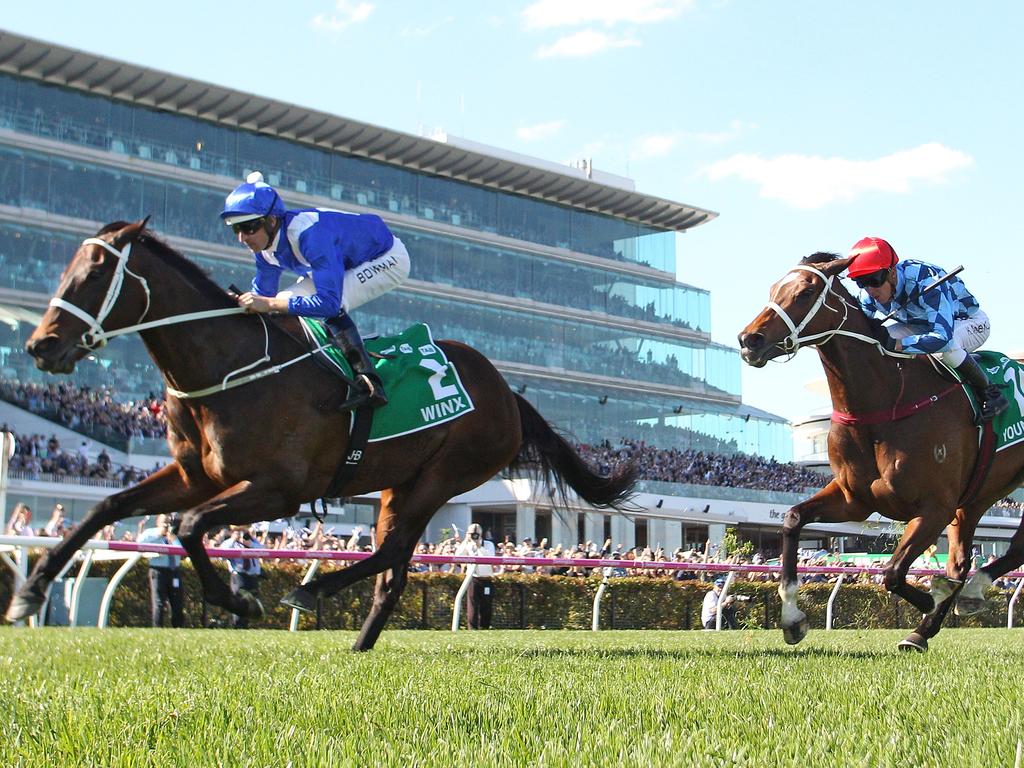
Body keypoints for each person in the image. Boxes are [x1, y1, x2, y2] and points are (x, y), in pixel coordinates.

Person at [220, 171, 410, 409]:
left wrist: (268, 304)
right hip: (348, 259)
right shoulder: (263, 249)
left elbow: (328, 303)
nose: (241, 238)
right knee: (281, 301)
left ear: (271, 220)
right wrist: (238, 304)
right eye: (235, 228)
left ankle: (369, 383)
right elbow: (263, 298)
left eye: (248, 227)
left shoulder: (309, 235)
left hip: (386, 257)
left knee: (330, 305)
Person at [846, 236, 1008, 421]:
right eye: (861, 282)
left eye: (874, 280)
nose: (870, 290)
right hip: (921, 326)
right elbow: (861, 334)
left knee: (946, 349)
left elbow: (942, 338)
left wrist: (898, 344)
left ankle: (992, 394)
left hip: (968, 323)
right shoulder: (869, 295)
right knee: (878, 343)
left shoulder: (926, 280)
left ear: (892, 273)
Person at [136, 513, 184, 628]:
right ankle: (157, 628)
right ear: (158, 522)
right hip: (158, 571)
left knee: (177, 602)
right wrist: (158, 534)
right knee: (159, 602)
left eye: (168, 523)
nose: (167, 526)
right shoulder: (150, 533)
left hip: (174, 571)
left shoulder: (174, 535)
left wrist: (173, 539)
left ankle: (178, 628)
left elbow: (181, 551)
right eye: (164, 523)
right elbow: (138, 543)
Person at [454, 522, 496, 629]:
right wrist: (465, 541)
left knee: (486, 606)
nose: (474, 535)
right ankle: (472, 629)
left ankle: (485, 627)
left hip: (486, 579)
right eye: (472, 533)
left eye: (476, 533)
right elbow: (457, 556)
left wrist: (479, 546)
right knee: (472, 606)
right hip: (473, 578)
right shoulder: (467, 545)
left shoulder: (488, 544)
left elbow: (490, 558)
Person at [222, 527, 262, 629]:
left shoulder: (252, 541)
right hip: (239, 576)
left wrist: (250, 543)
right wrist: (233, 539)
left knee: (252, 601)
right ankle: (238, 624)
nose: (242, 534)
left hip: (252, 576)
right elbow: (222, 554)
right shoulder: (230, 543)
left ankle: (246, 624)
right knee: (240, 600)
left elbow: (263, 550)